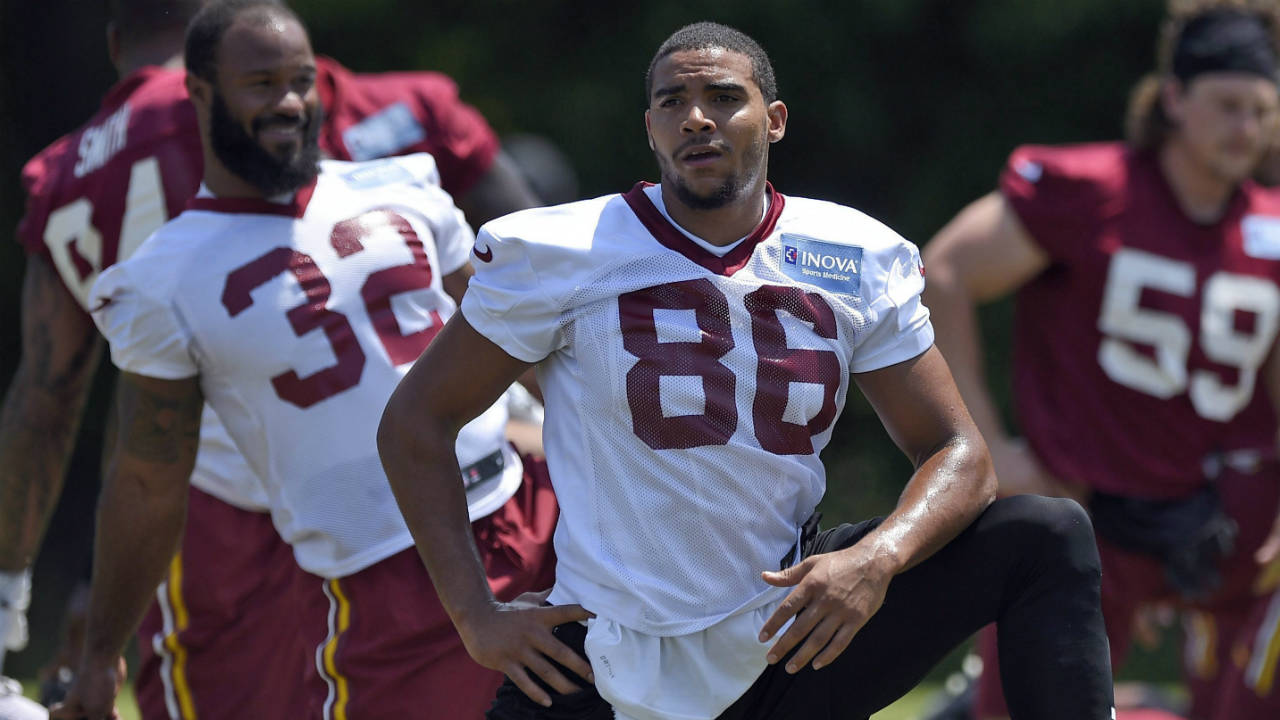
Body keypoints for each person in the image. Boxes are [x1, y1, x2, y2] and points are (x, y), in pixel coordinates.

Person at [378, 20, 1114, 720]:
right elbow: (417, 420)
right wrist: (475, 616)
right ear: (651, 129)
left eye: (724, 97)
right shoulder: (558, 252)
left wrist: (875, 560)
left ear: (776, 119)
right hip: (608, 648)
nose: (697, 117)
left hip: (794, 629)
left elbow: (960, 453)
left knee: (1043, 535)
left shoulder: (853, 255)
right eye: (673, 102)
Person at [1, 0, 548, 717]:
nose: (289, 101)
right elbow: (145, 478)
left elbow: (529, 330)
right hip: (375, 562)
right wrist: (102, 650)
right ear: (193, 91)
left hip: (528, 508)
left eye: (301, 79)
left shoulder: (404, 182)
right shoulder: (157, 280)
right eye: (263, 84)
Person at [920, 3, 1280, 719]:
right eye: (1228, 106)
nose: (1246, 128)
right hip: (1085, 513)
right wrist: (981, 447)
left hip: (1223, 520)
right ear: (1174, 98)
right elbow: (944, 272)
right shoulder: (1092, 191)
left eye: (1262, 110)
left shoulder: (1269, 224)